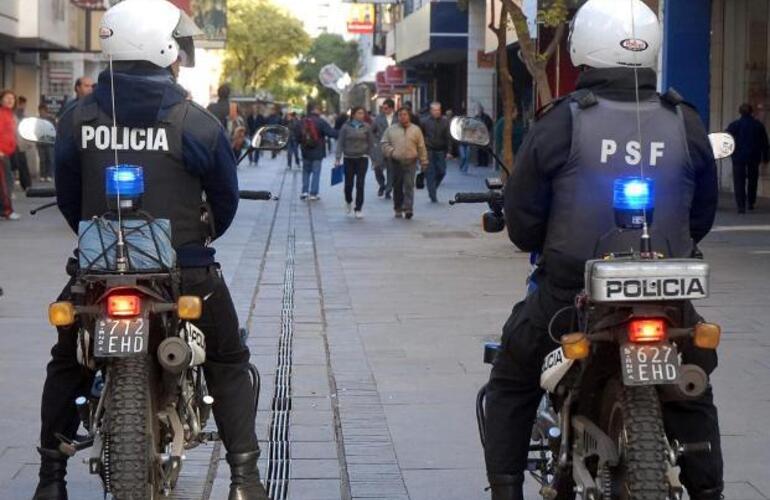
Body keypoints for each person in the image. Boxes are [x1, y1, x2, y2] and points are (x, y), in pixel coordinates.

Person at [482, 1, 723, 499]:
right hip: (666, 293)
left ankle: (506, 489)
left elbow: (524, 223)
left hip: (569, 295)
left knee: (512, 375)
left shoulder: (562, 120)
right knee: (693, 385)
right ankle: (708, 489)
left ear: (581, 47)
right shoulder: (685, 120)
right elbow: (702, 214)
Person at [34, 1, 269, 499]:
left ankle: (50, 479)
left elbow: (71, 201)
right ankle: (245, 479)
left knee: (66, 361)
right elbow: (224, 200)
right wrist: (200, 239)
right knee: (228, 357)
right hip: (184, 271)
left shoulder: (78, 117)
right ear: (163, 48)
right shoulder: (196, 122)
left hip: (97, 274)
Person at [380, 106, 428, 219]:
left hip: (411, 161)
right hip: (396, 161)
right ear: (397, 117)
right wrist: (392, 152)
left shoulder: (416, 130)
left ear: (409, 116)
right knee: (397, 186)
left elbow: (421, 146)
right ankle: (398, 208)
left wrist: (423, 161)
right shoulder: (391, 130)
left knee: (409, 185)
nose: (403, 117)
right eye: (400, 115)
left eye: (405, 114)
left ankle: (408, 208)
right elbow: (384, 143)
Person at [726, 103, 769, 213]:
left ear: (740, 112)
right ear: (751, 112)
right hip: (754, 156)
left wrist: (728, 153)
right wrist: (766, 158)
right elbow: (764, 143)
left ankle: (741, 205)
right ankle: (750, 202)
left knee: (739, 181)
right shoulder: (758, 125)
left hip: (738, 157)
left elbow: (726, 139)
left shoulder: (734, 125)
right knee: (753, 180)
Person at [335, 106, 375, 218]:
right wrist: (338, 158)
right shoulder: (345, 127)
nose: (362, 115)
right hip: (349, 158)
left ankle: (358, 208)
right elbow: (340, 143)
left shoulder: (367, 127)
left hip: (362, 158)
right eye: (359, 113)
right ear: (353, 115)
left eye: (363, 113)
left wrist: (374, 159)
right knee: (348, 184)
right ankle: (348, 201)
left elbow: (371, 144)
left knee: (360, 184)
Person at [298, 103, 337, 200]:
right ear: (316, 110)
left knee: (306, 171)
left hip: (305, 151)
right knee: (316, 172)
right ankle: (313, 193)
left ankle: (304, 192)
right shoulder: (321, 122)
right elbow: (331, 133)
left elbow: (297, 135)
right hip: (317, 151)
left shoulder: (302, 121)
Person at [420, 102, 451, 203]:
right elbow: (420, 136)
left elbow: (448, 137)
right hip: (428, 150)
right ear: (431, 111)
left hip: (440, 150)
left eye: (438, 110)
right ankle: (432, 194)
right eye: (434, 110)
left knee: (442, 171)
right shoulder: (424, 121)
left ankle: (433, 187)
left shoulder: (445, 122)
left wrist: (449, 151)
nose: (437, 112)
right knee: (430, 173)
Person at [0, 89, 20, 220]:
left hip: (8, 152)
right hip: (1, 153)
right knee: (5, 184)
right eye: (7, 98)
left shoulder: (10, 114)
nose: (10, 100)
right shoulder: (1, 114)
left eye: (12, 98)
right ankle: (7, 210)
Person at [371, 99, 396, 198]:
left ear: (391, 108)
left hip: (393, 147)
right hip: (380, 146)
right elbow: (371, 131)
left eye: (386, 108)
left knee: (391, 169)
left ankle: (388, 190)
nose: (384, 110)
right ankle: (382, 185)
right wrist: (375, 142)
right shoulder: (378, 118)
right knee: (377, 167)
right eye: (383, 108)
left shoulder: (398, 118)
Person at [37, 103, 56, 182]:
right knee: (42, 160)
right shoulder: (37, 120)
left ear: (46, 111)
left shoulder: (51, 119)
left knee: (50, 159)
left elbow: (55, 129)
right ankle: (42, 175)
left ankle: (49, 175)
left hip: (49, 142)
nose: (42, 112)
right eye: (40, 111)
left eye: (43, 111)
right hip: (40, 142)